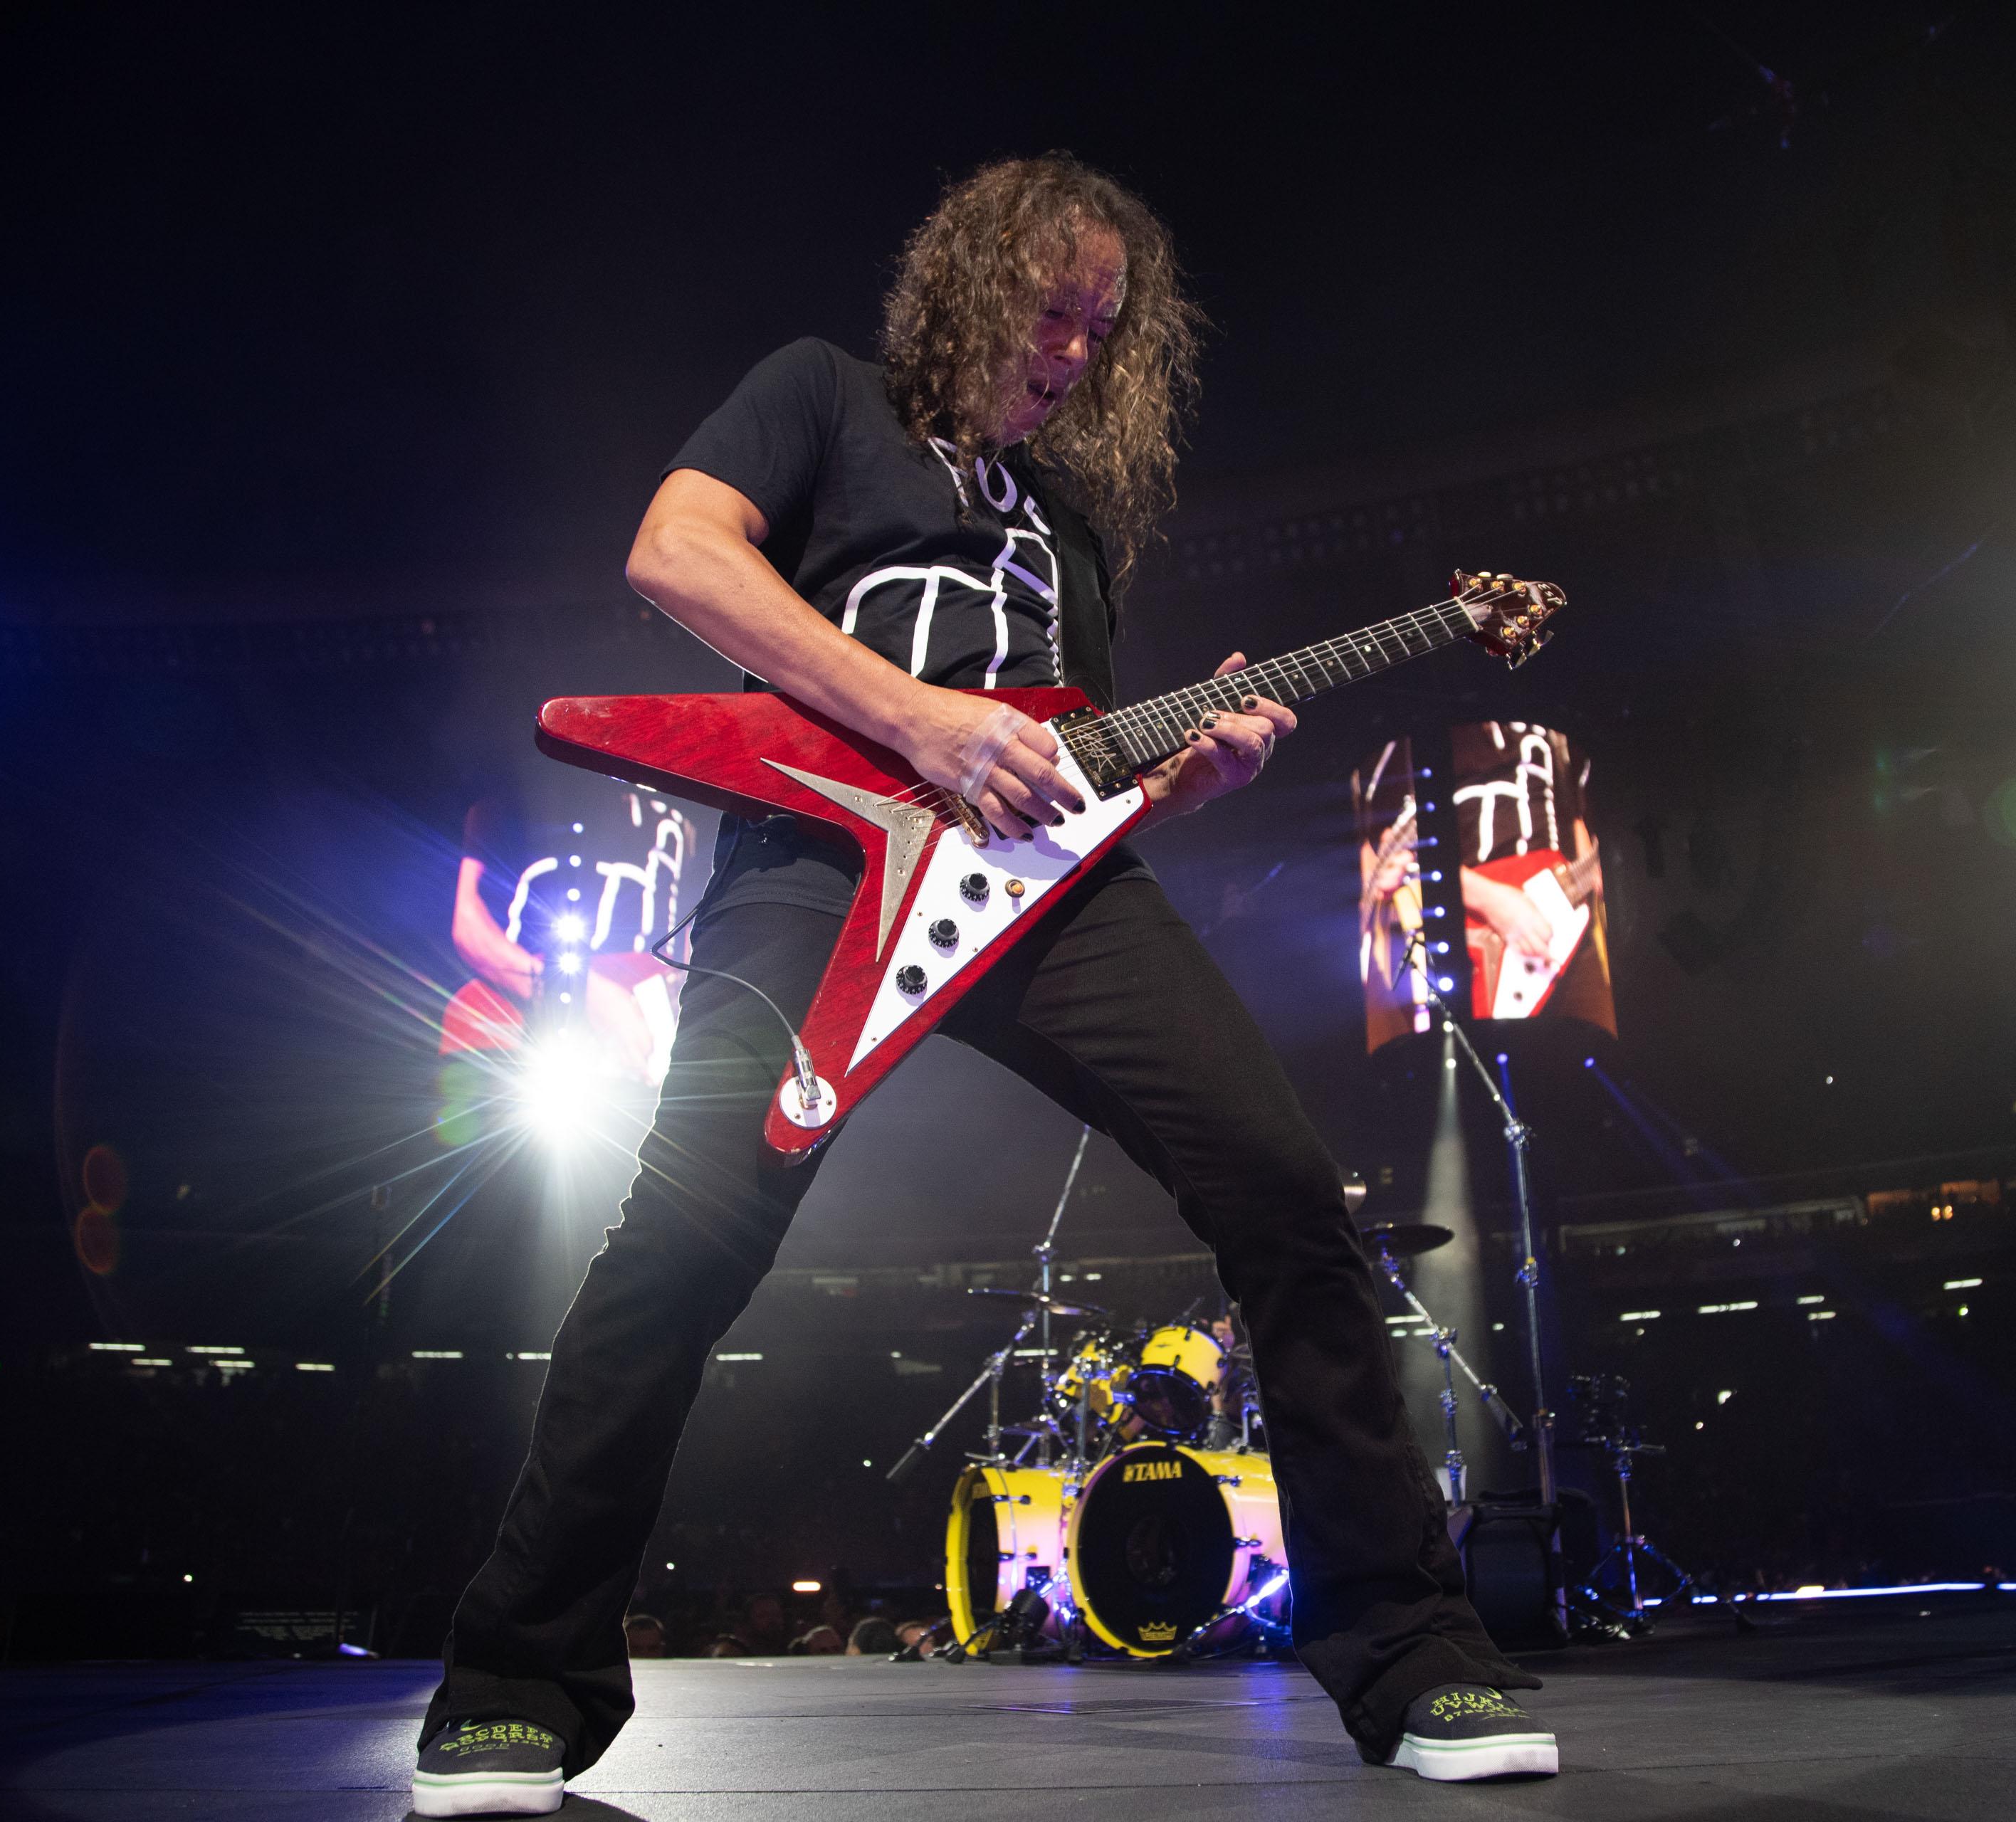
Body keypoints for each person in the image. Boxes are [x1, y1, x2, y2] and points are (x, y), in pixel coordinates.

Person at [408, 155, 1553, 1819]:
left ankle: (1415, 1645)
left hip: (1051, 899)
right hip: (815, 866)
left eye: (1103, 328)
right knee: (682, 1241)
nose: (1077, 353)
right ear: (966, 285)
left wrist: (1186, 780)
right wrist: (922, 719)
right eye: (1051, 312)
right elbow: (677, 552)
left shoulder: (1073, 523)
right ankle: (515, 1675)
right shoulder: (822, 395)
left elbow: (1062, 775)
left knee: (1287, 1188)